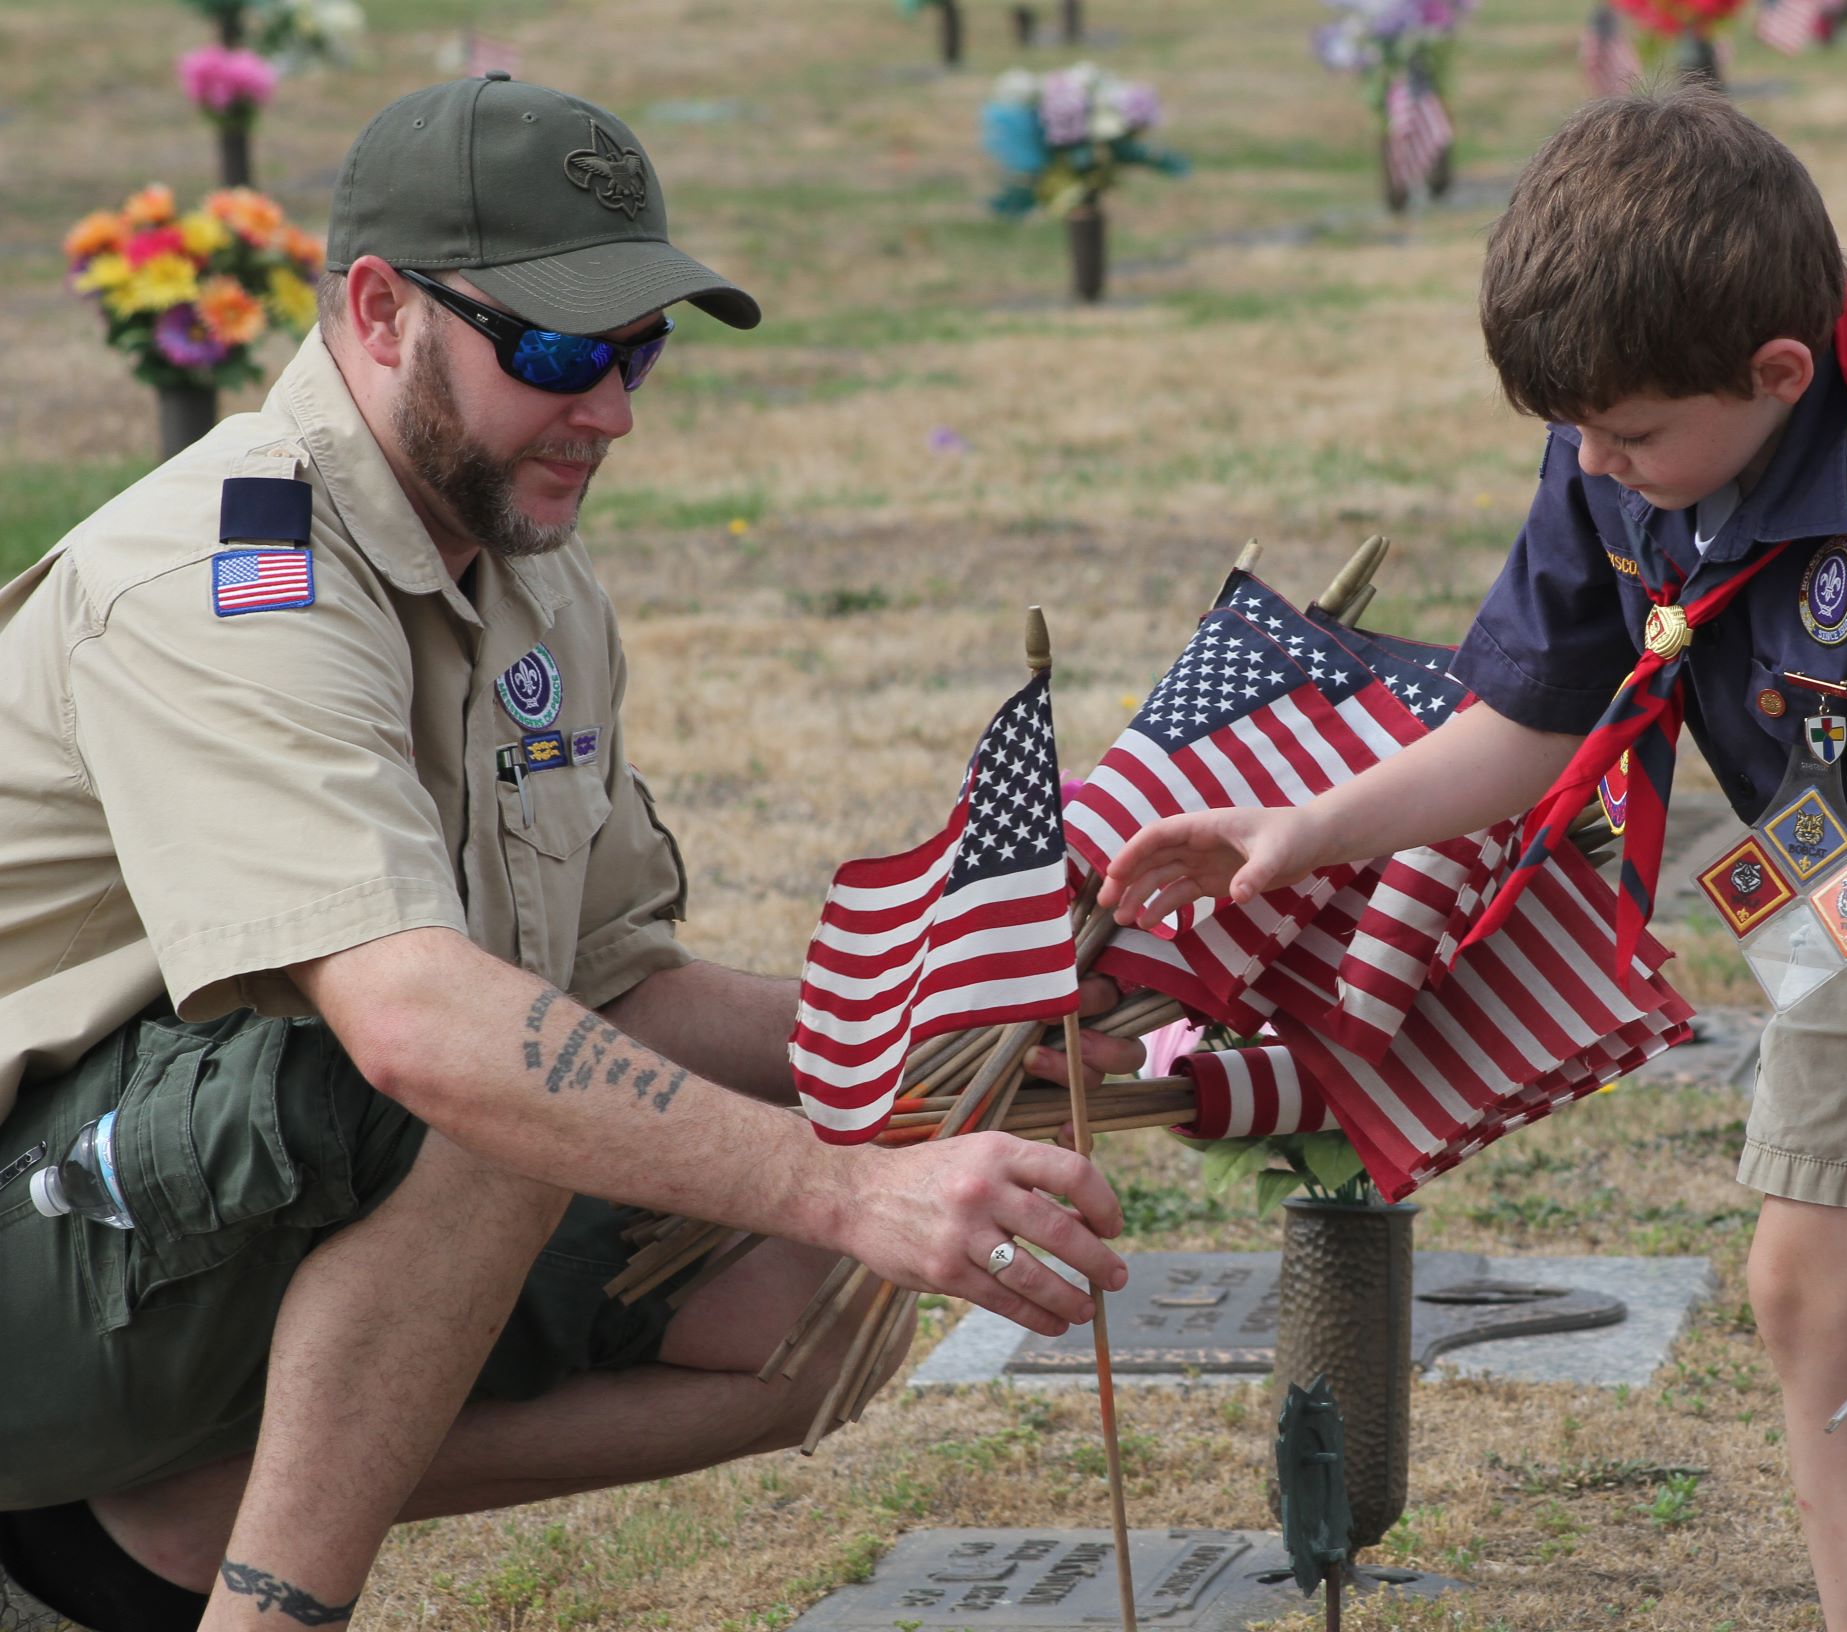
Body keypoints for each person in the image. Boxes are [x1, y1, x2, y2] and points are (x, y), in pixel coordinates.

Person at [1099, 84, 1847, 1632]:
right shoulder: (1627, 441)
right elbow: (1536, 713)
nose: (1592, 465)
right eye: (1573, 431)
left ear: (1778, 371)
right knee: (1808, 1280)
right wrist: (1306, 828)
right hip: (1839, 818)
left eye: (1628, 434)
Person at [0, 76, 1136, 1632]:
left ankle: (174, 1520)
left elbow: (612, 988)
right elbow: (425, 1033)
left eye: (636, 350)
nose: (607, 408)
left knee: (804, 1311)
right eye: (551, 350)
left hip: (159, 1241)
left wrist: (965, 1053)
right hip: (34, 1257)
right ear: (381, 311)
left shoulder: (527, 572)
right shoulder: (219, 579)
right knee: (503, 1091)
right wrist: (852, 1182)